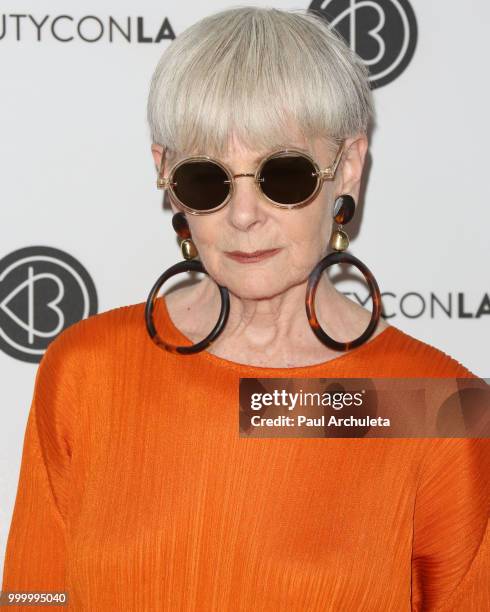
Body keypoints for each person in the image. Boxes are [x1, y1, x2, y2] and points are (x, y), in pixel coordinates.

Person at [2, 7, 489, 611]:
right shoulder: (88, 370)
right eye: (207, 180)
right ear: (166, 176)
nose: (242, 215)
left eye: (284, 176)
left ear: (350, 167)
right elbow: (33, 595)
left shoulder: (435, 402)